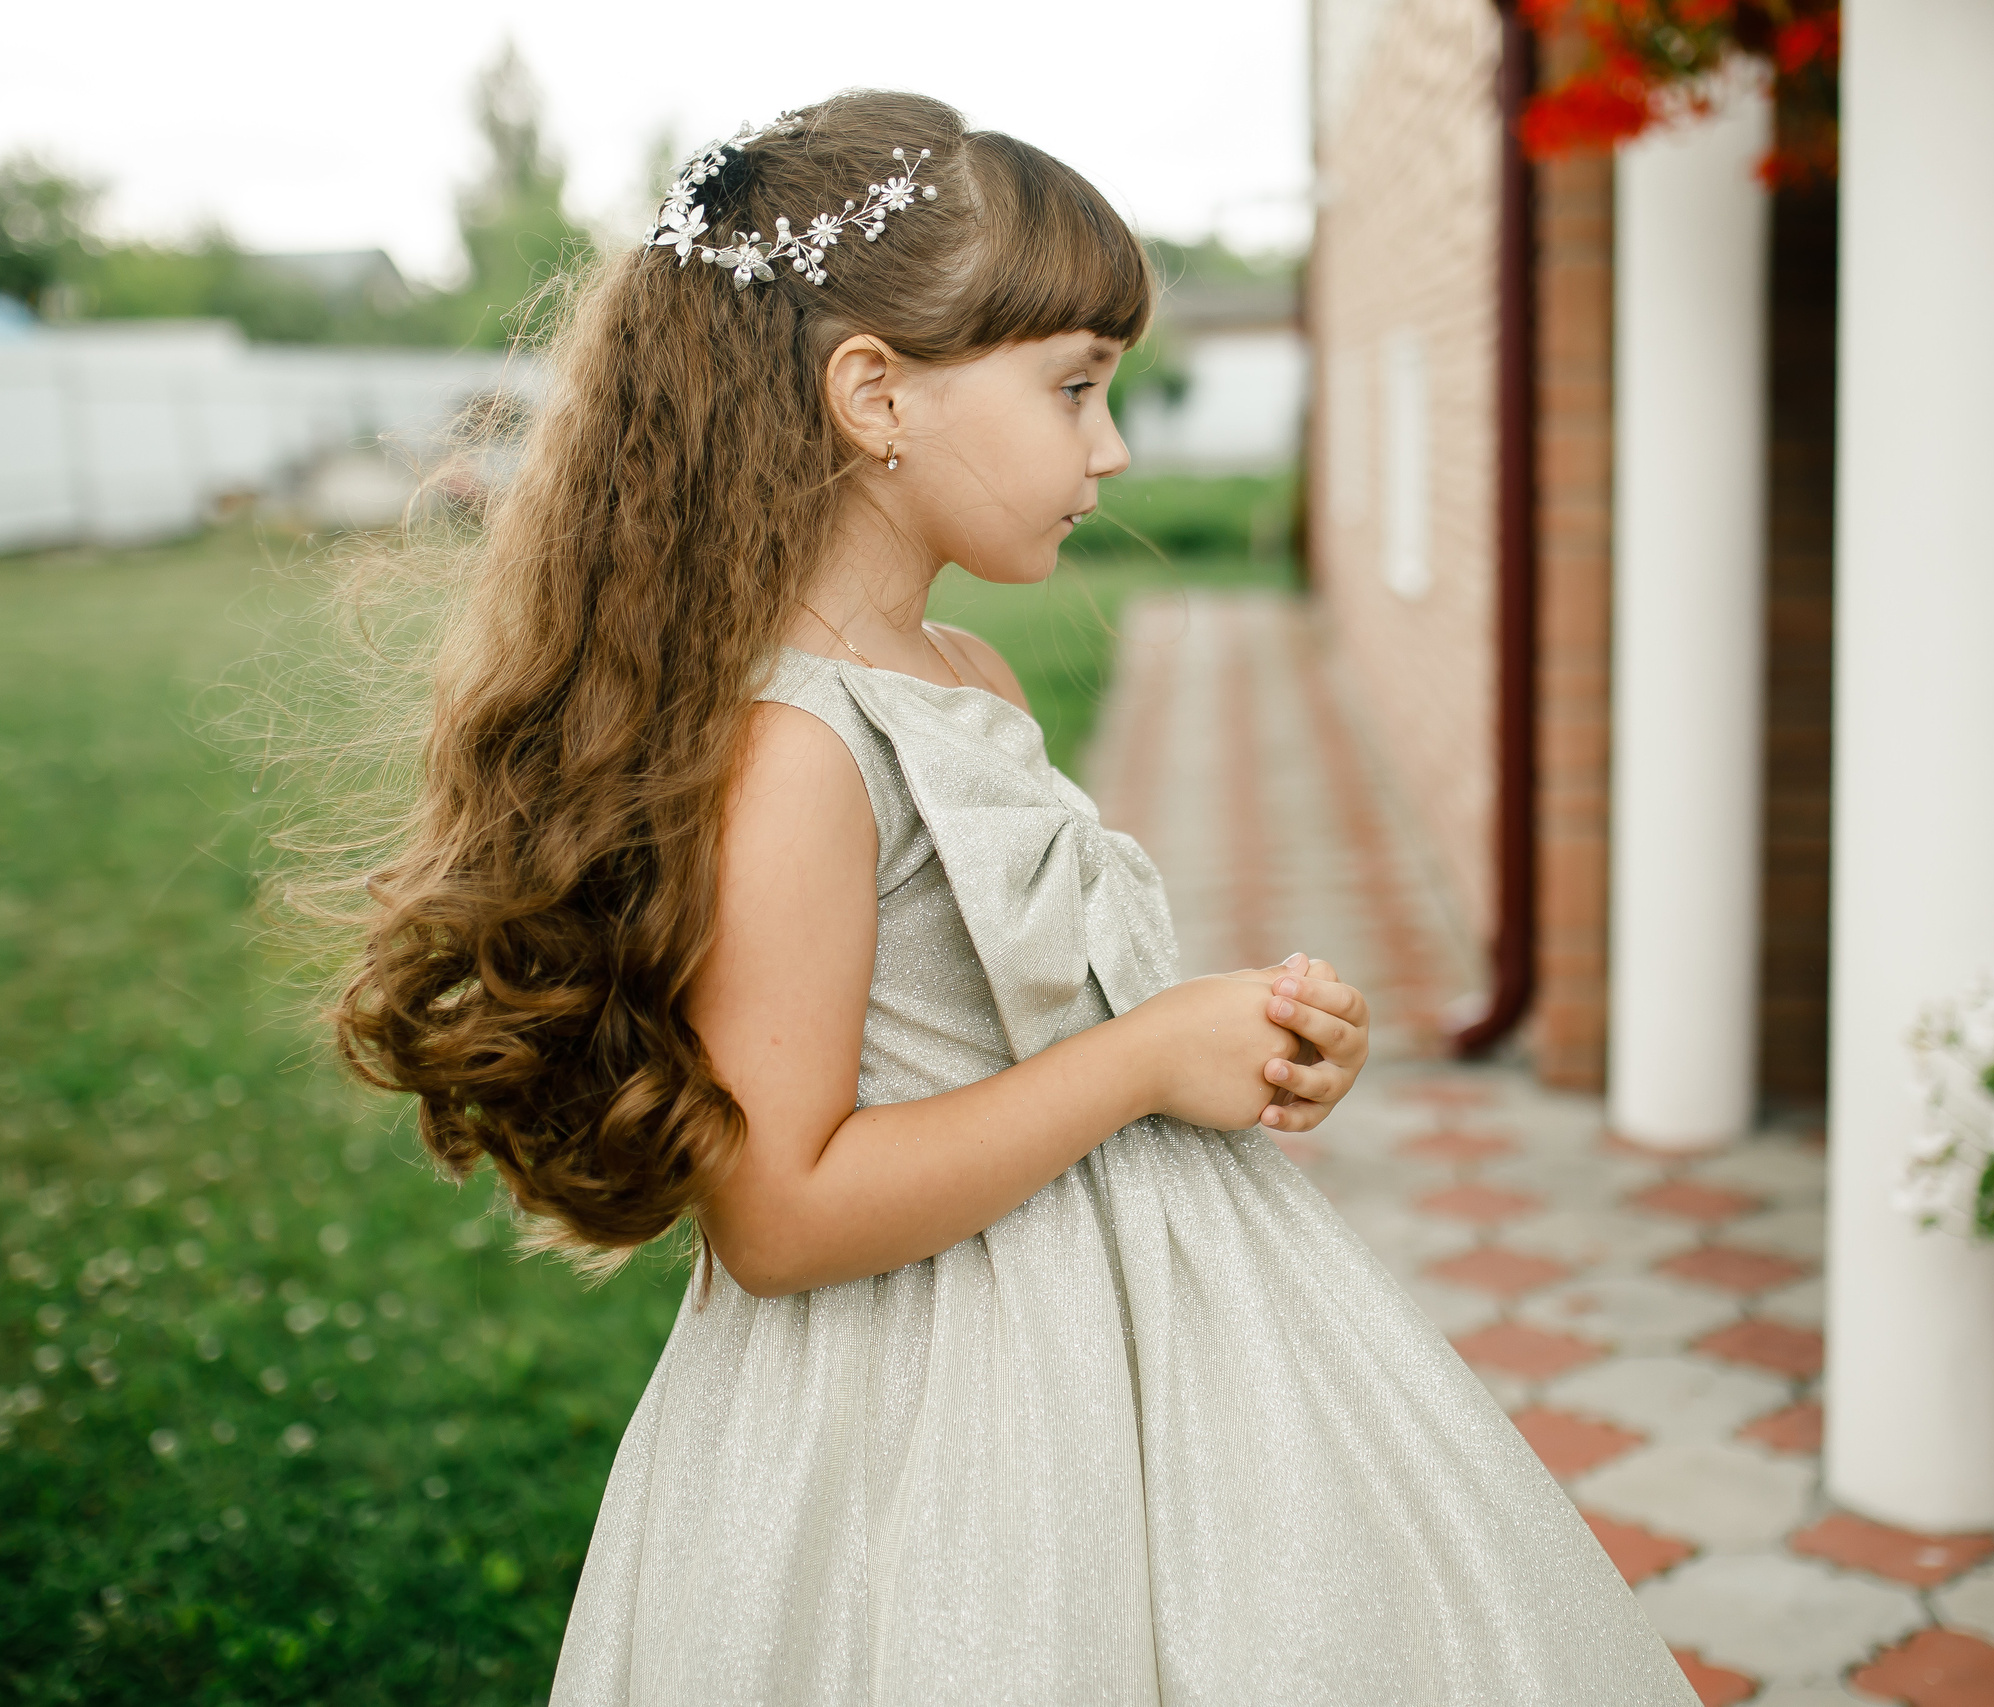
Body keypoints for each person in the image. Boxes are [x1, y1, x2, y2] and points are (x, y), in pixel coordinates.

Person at [330, 90, 1690, 1705]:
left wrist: (1232, 1036)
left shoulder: (961, 675)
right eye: (1074, 388)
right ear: (872, 396)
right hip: (938, 1396)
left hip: (1147, 1329)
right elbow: (782, 1212)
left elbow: (1011, 1010)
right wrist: (1137, 1063)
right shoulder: (796, 751)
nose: (1111, 447)